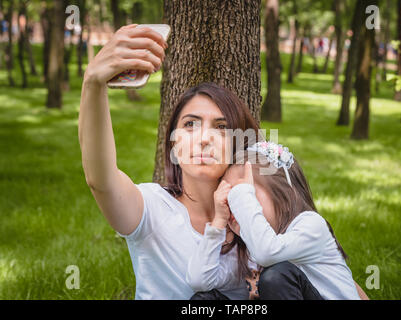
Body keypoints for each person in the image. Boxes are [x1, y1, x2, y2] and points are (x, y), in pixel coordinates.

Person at [78, 24, 261, 299]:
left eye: (221, 128)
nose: (204, 139)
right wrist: (93, 81)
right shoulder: (152, 208)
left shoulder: (256, 214)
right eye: (190, 124)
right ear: (174, 143)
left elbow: (324, 270)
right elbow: (100, 180)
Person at [186, 142, 368, 300]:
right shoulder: (249, 249)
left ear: (284, 193)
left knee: (277, 276)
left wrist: (242, 195)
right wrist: (218, 222)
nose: (237, 205)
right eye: (229, 197)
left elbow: (268, 252)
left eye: (246, 192)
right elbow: (199, 281)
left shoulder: (311, 225)